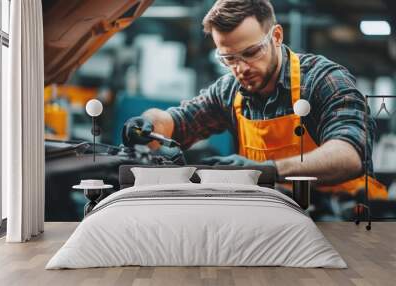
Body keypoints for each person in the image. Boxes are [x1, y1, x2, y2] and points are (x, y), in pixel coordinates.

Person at [122, 0, 387, 199]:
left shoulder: (323, 80)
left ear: (277, 37)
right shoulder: (229, 90)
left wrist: (264, 170)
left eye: (251, 52)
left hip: (346, 215)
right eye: (229, 59)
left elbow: (350, 156)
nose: (241, 68)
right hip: (279, 213)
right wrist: (147, 123)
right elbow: (177, 123)